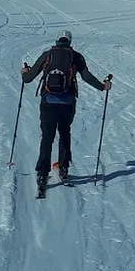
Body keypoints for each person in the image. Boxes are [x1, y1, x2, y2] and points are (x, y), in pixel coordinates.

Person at [21, 30, 110, 193]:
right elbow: (86, 76)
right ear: (69, 42)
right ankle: (63, 169)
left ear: (56, 41)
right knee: (64, 132)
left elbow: (28, 79)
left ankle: (42, 174)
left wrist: (24, 73)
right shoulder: (76, 56)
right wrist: (103, 86)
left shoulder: (47, 55)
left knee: (47, 136)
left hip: (48, 101)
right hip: (68, 102)